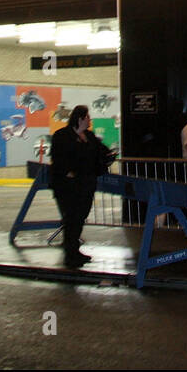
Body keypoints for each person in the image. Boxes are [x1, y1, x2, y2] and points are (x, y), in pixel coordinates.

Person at [49, 105, 113, 268]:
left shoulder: (89, 137)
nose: (89, 120)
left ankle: (74, 250)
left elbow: (102, 152)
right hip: (67, 186)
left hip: (85, 184)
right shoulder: (62, 136)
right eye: (87, 117)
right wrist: (68, 172)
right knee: (71, 218)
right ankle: (70, 253)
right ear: (80, 118)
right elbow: (58, 159)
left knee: (80, 217)